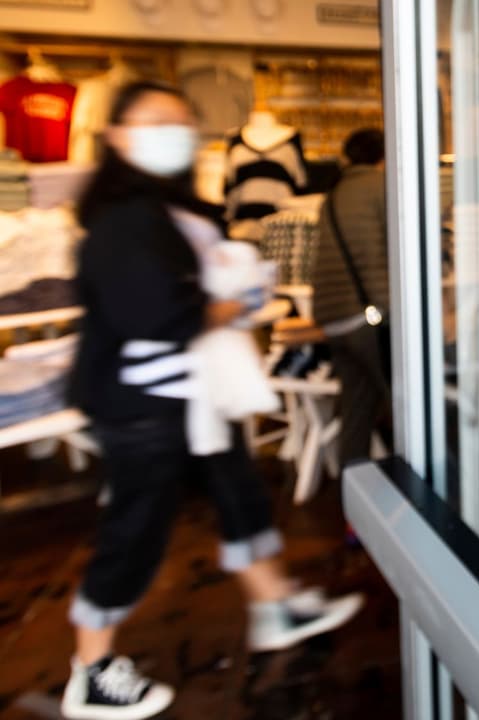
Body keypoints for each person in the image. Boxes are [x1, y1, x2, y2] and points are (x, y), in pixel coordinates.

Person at [62, 81, 362, 720]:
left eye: (183, 121)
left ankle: (274, 605)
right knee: (136, 530)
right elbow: (153, 314)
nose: (175, 132)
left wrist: (231, 288)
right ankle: (91, 670)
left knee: (240, 496)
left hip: (196, 395)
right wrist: (230, 303)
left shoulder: (166, 207)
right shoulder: (121, 219)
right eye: (156, 121)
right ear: (116, 136)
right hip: (143, 404)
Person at [276, 128, 391, 465]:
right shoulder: (382, 187)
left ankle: (350, 489)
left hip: (333, 320)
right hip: (367, 319)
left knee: (356, 412)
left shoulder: (334, 193)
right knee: (408, 404)